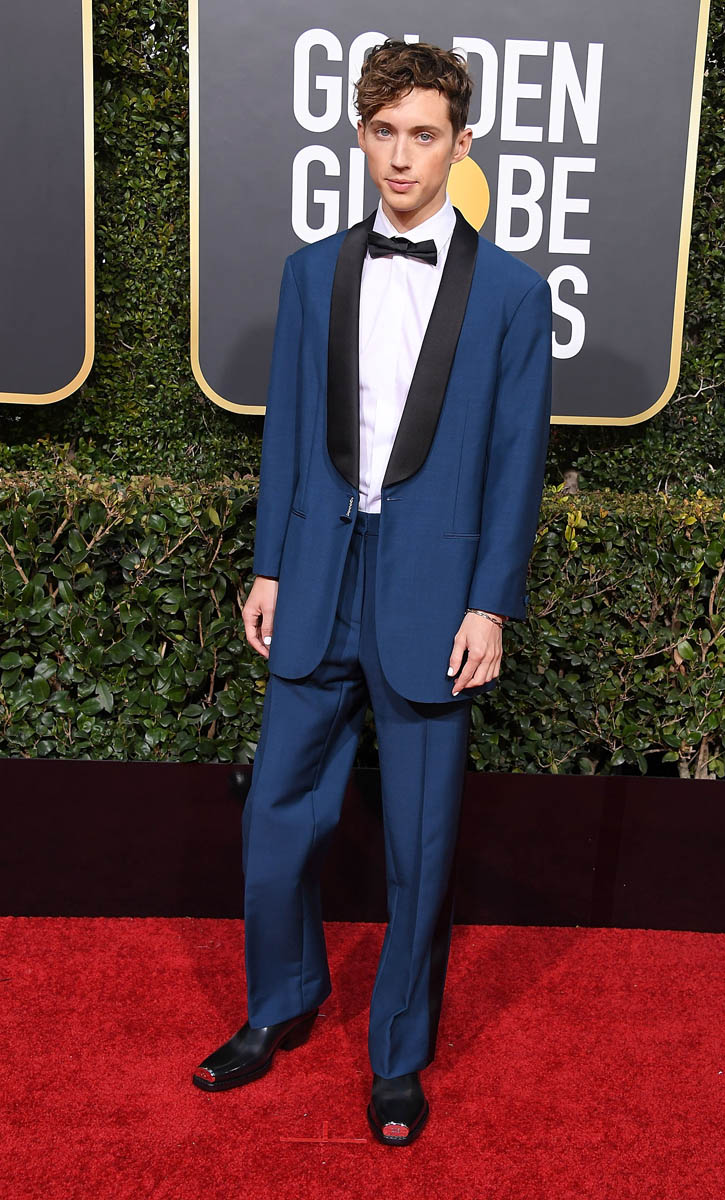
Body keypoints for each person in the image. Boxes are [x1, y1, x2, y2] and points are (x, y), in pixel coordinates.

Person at [191, 38, 553, 1146]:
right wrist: (269, 564)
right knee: (274, 819)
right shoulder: (312, 272)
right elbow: (289, 435)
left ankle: (398, 1055)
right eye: (384, 132)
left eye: (423, 135)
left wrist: (489, 604)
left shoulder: (513, 294)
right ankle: (280, 1003)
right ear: (360, 136)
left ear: (461, 144)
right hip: (318, 583)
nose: (401, 156)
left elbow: (516, 462)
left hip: (435, 598)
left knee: (420, 846)